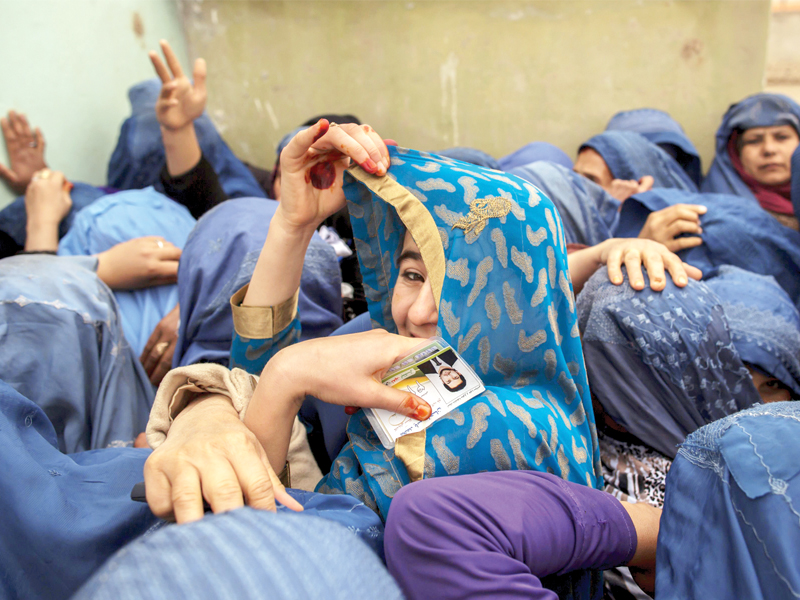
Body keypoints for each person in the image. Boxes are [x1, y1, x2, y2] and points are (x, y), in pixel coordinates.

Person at [142, 121, 700, 529]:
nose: (419, 311)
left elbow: (274, 533)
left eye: (460, 286)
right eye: (411, 274)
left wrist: (283, 378)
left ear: (512, 300)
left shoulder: (497, 424)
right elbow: (259, 389)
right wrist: (293, 224)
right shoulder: (414, 365)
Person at [702, 92, 800, 231]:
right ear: (735, 153)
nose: (769, 149)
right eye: (754, 140)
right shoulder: (713, 216)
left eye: (782, 137)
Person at [605, 108, 702, 187]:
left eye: (666, 161)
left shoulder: (705, 204)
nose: (650, 178)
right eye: (638, 156)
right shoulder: (600, 205)